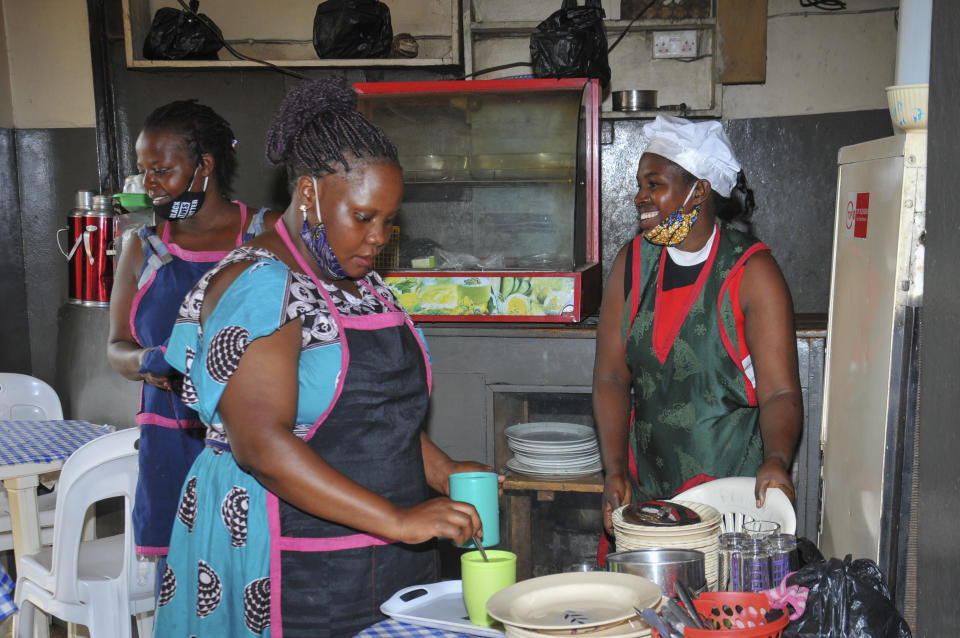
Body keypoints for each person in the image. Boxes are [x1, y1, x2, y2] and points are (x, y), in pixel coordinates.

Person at [154, 77, 490, 637]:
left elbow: (374, 415)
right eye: (363, 217)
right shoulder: (262, 285)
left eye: (389, 221)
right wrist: (399, 520)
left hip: (380, 552)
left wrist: (444, 472)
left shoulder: (360, 282)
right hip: (289, 554)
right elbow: (260, 444)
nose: (377, 237)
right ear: (309, 192)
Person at [592, 115, 802, 545]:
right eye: (640, 184)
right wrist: (614, 469)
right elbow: (612, 377)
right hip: (648, 502)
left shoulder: (751, 274)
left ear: (699, 190)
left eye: (654, 185)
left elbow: (779, 392)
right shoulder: (631, 266)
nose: (639, 197)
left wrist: (777, 459)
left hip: (732, 512)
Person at [107, 100, 279, 572]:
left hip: (252, 442)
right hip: (171, 441)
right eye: (143, 172)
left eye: (161, 170)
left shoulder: (266, 235)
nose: (149, 186)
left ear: (204, 166)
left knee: (252, 576)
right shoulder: (145, 245)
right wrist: (150, 364)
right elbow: (116, 346)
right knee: (181, 583)